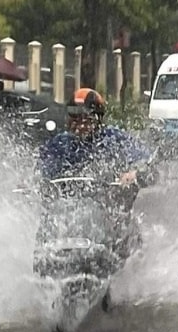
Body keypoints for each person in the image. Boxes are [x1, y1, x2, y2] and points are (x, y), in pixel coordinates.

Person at [37, 88, 154, 258]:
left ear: (98, 119)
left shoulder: (115, 140)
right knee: (44, 233)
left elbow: (147, 163)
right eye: (74, 118)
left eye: (86, 118)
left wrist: (135, 172)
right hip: (66, 217)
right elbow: (41, 169)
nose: (80, 124)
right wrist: (32, 183)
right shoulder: (59, 144)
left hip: (110, 215)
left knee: (126, 241)